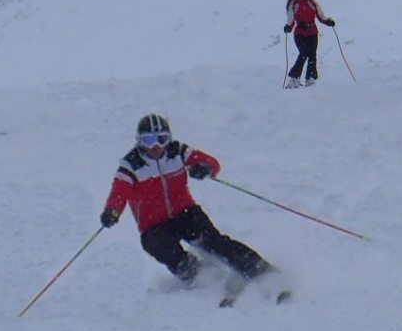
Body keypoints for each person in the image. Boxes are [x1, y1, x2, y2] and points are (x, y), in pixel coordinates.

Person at [99, 113, 278, 288]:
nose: (156, 146)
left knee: (213, 242)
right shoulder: (131, 165)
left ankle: (261, 271)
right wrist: (112, 211)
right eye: (149, 140)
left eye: (162, 139)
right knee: (159, 247)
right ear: (139, 141)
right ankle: (199, 276)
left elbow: (212, 163)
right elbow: (119, 193)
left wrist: (204, 168)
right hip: (155, 227)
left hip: (185, 214)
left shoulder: (178, 152)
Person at [283, 0, 335, 87]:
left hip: (312, 32)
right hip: (300, 34)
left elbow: (320, 15)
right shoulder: (293, 4)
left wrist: (327, 21)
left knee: (312, 55)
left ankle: (310, 78)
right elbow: (291, 19)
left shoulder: (312, 2)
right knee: (303, 53)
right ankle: (294, 78)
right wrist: (288, 27)